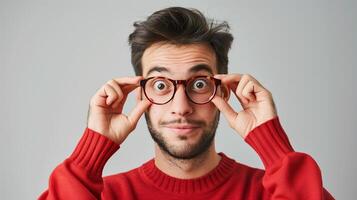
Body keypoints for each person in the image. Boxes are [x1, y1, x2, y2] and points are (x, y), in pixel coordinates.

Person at [39, 7, 334, 200]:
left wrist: (274, 147)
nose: (181, 107)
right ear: (141, 95)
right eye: (160, 85)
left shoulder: (270, 192)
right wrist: (90, 154)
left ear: (224, 93)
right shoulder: (106, 195)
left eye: (200, 84)